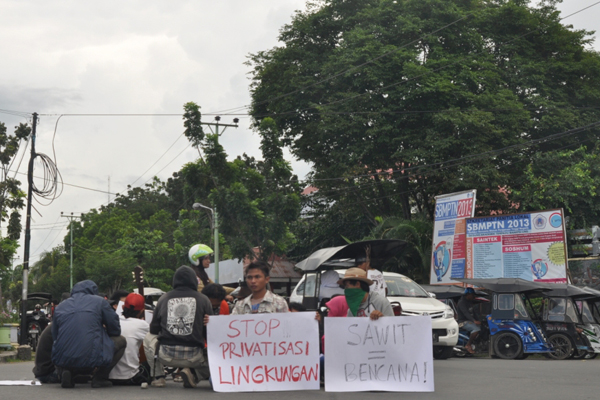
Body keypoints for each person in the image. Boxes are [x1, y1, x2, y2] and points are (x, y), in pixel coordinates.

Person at [143, 266, 213, 389]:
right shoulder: (204, 299)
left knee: (148, 337)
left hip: (166, 356)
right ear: (194, 281)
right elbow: (210, 332)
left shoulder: (163, 298)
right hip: (194, 357)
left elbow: (154, 329)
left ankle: (159, 377)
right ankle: (193, 374)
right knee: (216, 354)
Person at [52, 280, 126, 388]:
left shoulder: (61, 306)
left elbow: (55, 334)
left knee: (71, 347)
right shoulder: (100, 302)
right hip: (91, 353)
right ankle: (100, 378)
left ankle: (67, 371)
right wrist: (105, 333)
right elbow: (114, 327)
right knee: (121, 341)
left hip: (62, 356)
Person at [109, 293, 150, 385]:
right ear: (142, 311)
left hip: (108, 376)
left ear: (123, 307)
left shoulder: (114, 321)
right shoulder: (142, 325)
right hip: (129, 377)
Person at [456, 288, 481, 354]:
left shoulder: (469, 302)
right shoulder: (461, 302)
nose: (473, 296)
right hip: (463, 322)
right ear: (468, 294)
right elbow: (466, 313)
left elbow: (474, 313)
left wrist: (478, 320)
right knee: (476, 330)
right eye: (472, 295)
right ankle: (468, 345)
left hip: (470, 321)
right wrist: (474, 320)